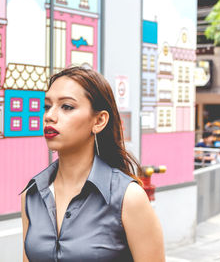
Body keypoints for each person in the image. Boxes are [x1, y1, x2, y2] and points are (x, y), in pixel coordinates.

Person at [20, 67, 164, 261]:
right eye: (47, 106)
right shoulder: (33, 194)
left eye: (67, 107)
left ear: (99, 120)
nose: (49, 116)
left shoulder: (128, 198)